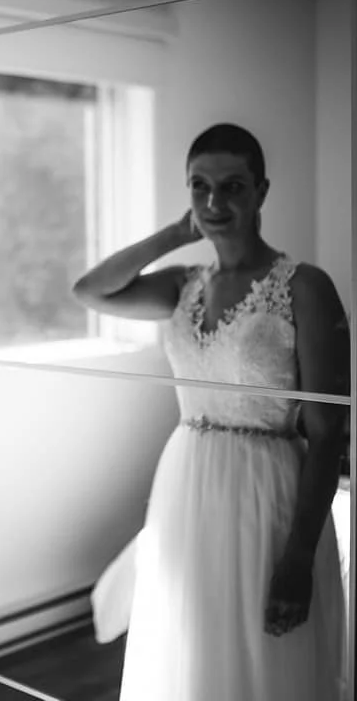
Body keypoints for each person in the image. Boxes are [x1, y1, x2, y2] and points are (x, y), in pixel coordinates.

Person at [73, 123, 348, 701]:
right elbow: (90, 291)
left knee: (263, 656)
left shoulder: (304, 287)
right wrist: (175, 233)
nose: (215, 202)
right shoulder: (184, 285)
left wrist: (299, 556)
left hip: (269, 489)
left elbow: (328, 435)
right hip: (187, 481)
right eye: (200, 187)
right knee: (192, 648)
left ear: (262, 192)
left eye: (233, 187)